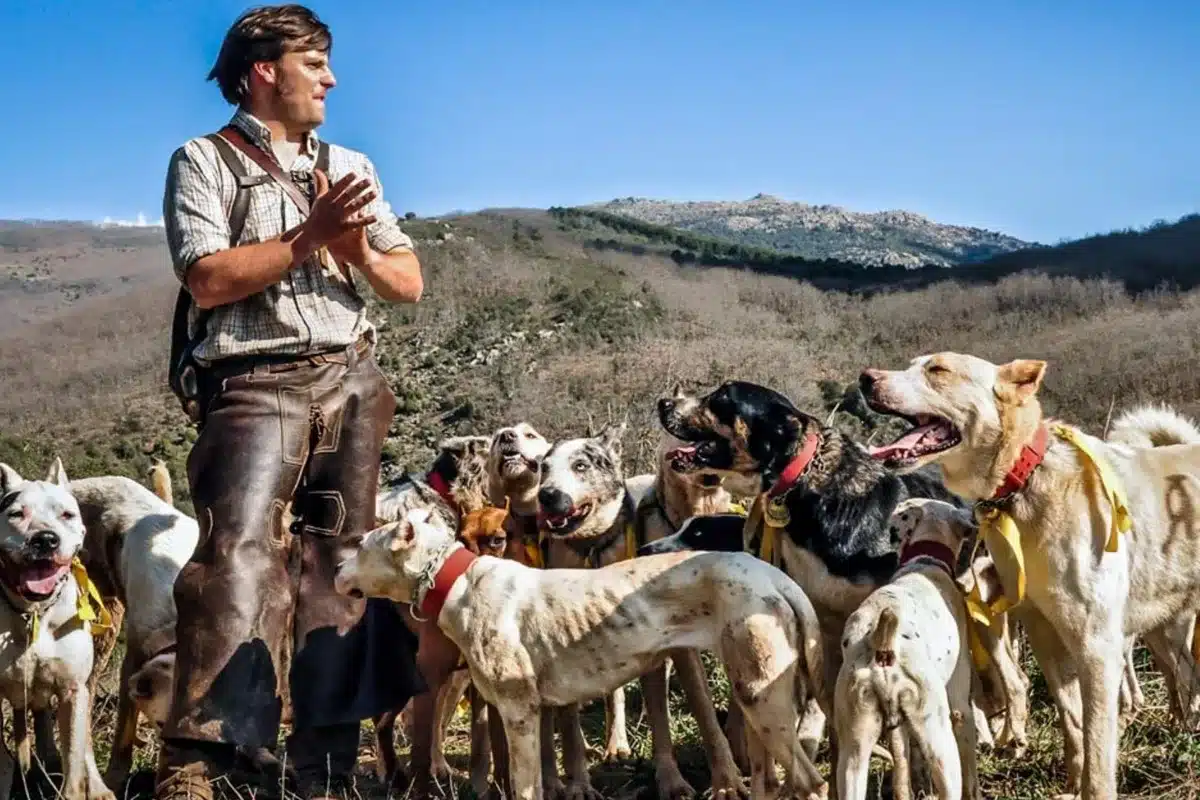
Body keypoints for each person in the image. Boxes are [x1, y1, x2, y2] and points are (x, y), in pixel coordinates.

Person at [158, 5, 426, 799]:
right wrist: (308, 239)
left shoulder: (353, 164)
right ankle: (210, 766)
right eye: (316, 64)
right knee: (237, 558)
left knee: (344, 565)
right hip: (252, 381)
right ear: (265, 70)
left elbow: (407, 281)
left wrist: (356, 251)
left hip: (352, 376)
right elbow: (205, 277)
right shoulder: (202, 160)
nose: (332, 80)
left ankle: (329, 768)